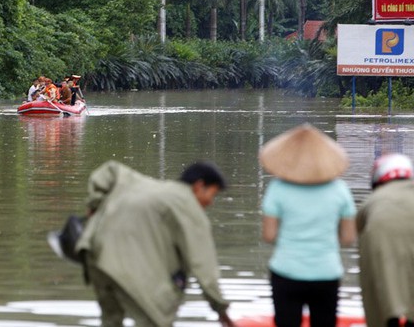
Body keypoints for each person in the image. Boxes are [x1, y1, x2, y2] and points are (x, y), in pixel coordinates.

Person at [75, 160, 236, 327]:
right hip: (121, 266)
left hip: (92, 253)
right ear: (199, 185)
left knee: (111, 320)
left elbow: (108, 170)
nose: (211, 202)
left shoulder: (139, 183)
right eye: (212, 193)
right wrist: (221, 310)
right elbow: (203, 266)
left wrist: (94, 204)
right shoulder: (187, 205)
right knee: (156, 321)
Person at [259, 123, 357, 327]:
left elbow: (269, 235)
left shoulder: (277, 188)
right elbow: (348, 239)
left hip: (286, 271)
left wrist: (292, 239)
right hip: (326, 273)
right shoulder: (340, 190)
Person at [357, 153, 414, 327]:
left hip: (380, 242)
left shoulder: (372, 201)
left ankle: (388, 318)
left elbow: (359, 226)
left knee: (381, 283)